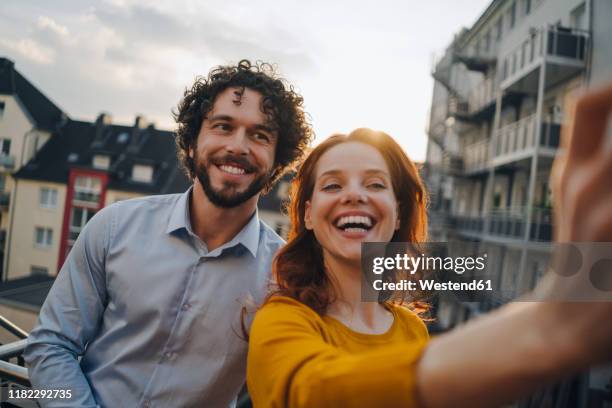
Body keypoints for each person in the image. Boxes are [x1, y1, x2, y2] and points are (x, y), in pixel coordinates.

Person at [247, 84, 612, 408]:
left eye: (375, 185)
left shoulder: (412, 330)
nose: (355, 194)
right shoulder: (281, 319)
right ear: (309, 215)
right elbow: (311, 393)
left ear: (397, 212)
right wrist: (542, 330)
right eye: (332, 185)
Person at [24, 60, 313, 407]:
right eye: (223, 126)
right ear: (192, 143)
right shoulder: (113, 226)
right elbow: (50, 346)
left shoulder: (284, 278)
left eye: (260, 135)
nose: (238, 146)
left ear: (277, 163)